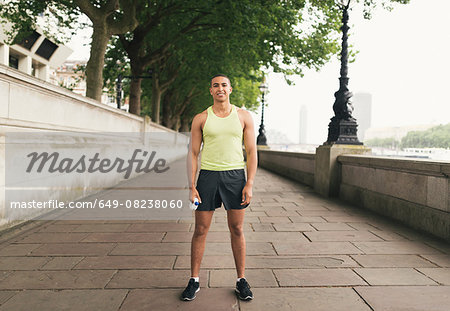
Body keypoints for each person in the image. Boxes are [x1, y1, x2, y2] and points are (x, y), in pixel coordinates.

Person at [181, 74, 257, 301]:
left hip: (235, 177)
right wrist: (191, 186)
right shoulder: (201, 118)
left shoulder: (243, 117)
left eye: (224, 85)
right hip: (207, 178)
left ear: (230, 89)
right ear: (211, 91)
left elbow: (252, 152)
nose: (220, 88)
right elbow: (193, 154)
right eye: (216, 85)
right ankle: (194, 280)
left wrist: (249, 183)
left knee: (237, 229)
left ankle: (241, 280)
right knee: (200, 230)